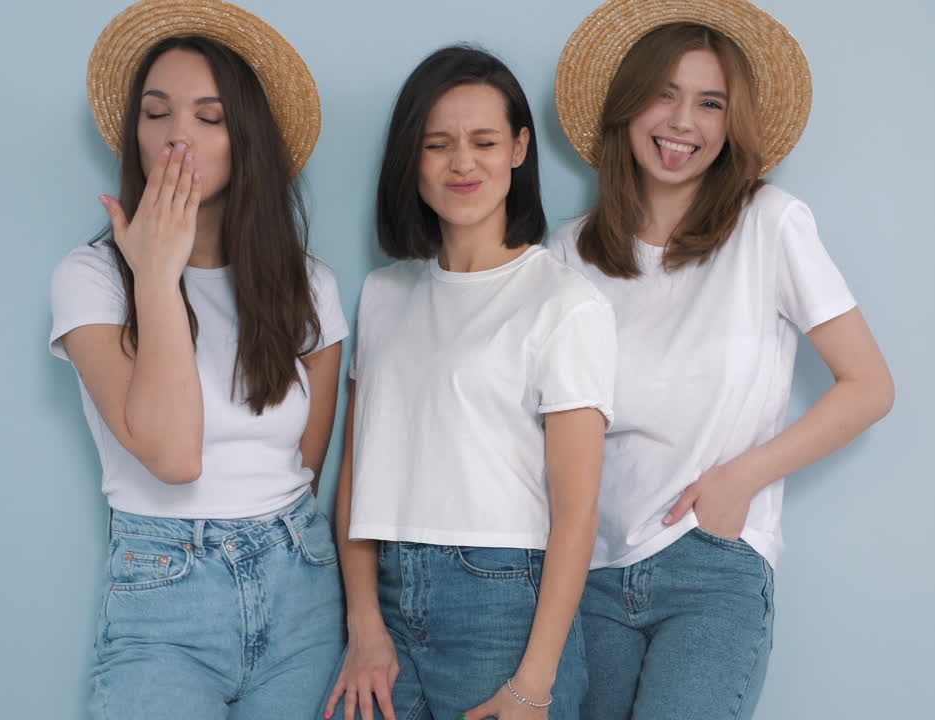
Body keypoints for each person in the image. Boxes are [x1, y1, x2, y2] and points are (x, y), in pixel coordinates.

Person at [549, 1, 897, 717]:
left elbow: (869, 386)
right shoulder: (569, 253)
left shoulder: (770, 224)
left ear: (730, 125)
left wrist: (739, 480)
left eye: (710, 103)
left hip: (711, 564)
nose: (683, 122)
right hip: (591, 573)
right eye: (664, 94)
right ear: (626, 108)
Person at [48, 1, 347, 716]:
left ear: (246, 139)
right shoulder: (89, 279)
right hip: (165, 594)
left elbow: (307, 461)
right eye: (157, 114)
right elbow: (174, 456)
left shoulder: (308, 284)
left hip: (301, 580)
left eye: (209, 118)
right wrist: (155, 272)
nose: (177, 136)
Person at [324, 46, 615, 720]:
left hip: (506, 605)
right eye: (438, 144)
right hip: (386, 598)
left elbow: (577, 511)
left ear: (518, 148)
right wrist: (363, 624)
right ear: (412, 158)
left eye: (485, 141)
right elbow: (359, 472)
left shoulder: (565, 303)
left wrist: (533, 685)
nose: (463, 163)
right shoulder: (384, 293)